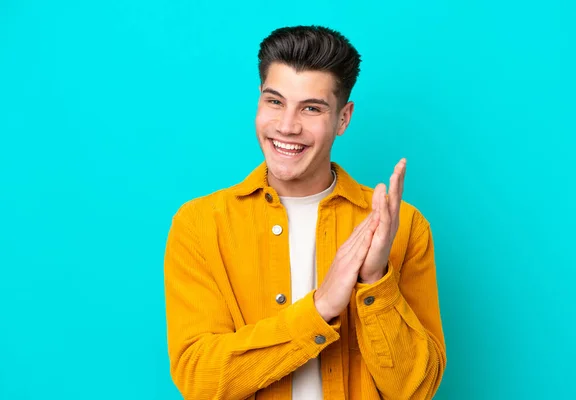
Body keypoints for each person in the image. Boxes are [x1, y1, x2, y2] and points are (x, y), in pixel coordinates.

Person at [164, 25, 446, 400]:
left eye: (311, 108)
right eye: (274, 101)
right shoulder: (200, 225)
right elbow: (199, 378)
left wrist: (375, 279)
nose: (286, 126)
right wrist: (320, 308)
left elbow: (416, 389)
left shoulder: (405, 228)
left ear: (343, 119)